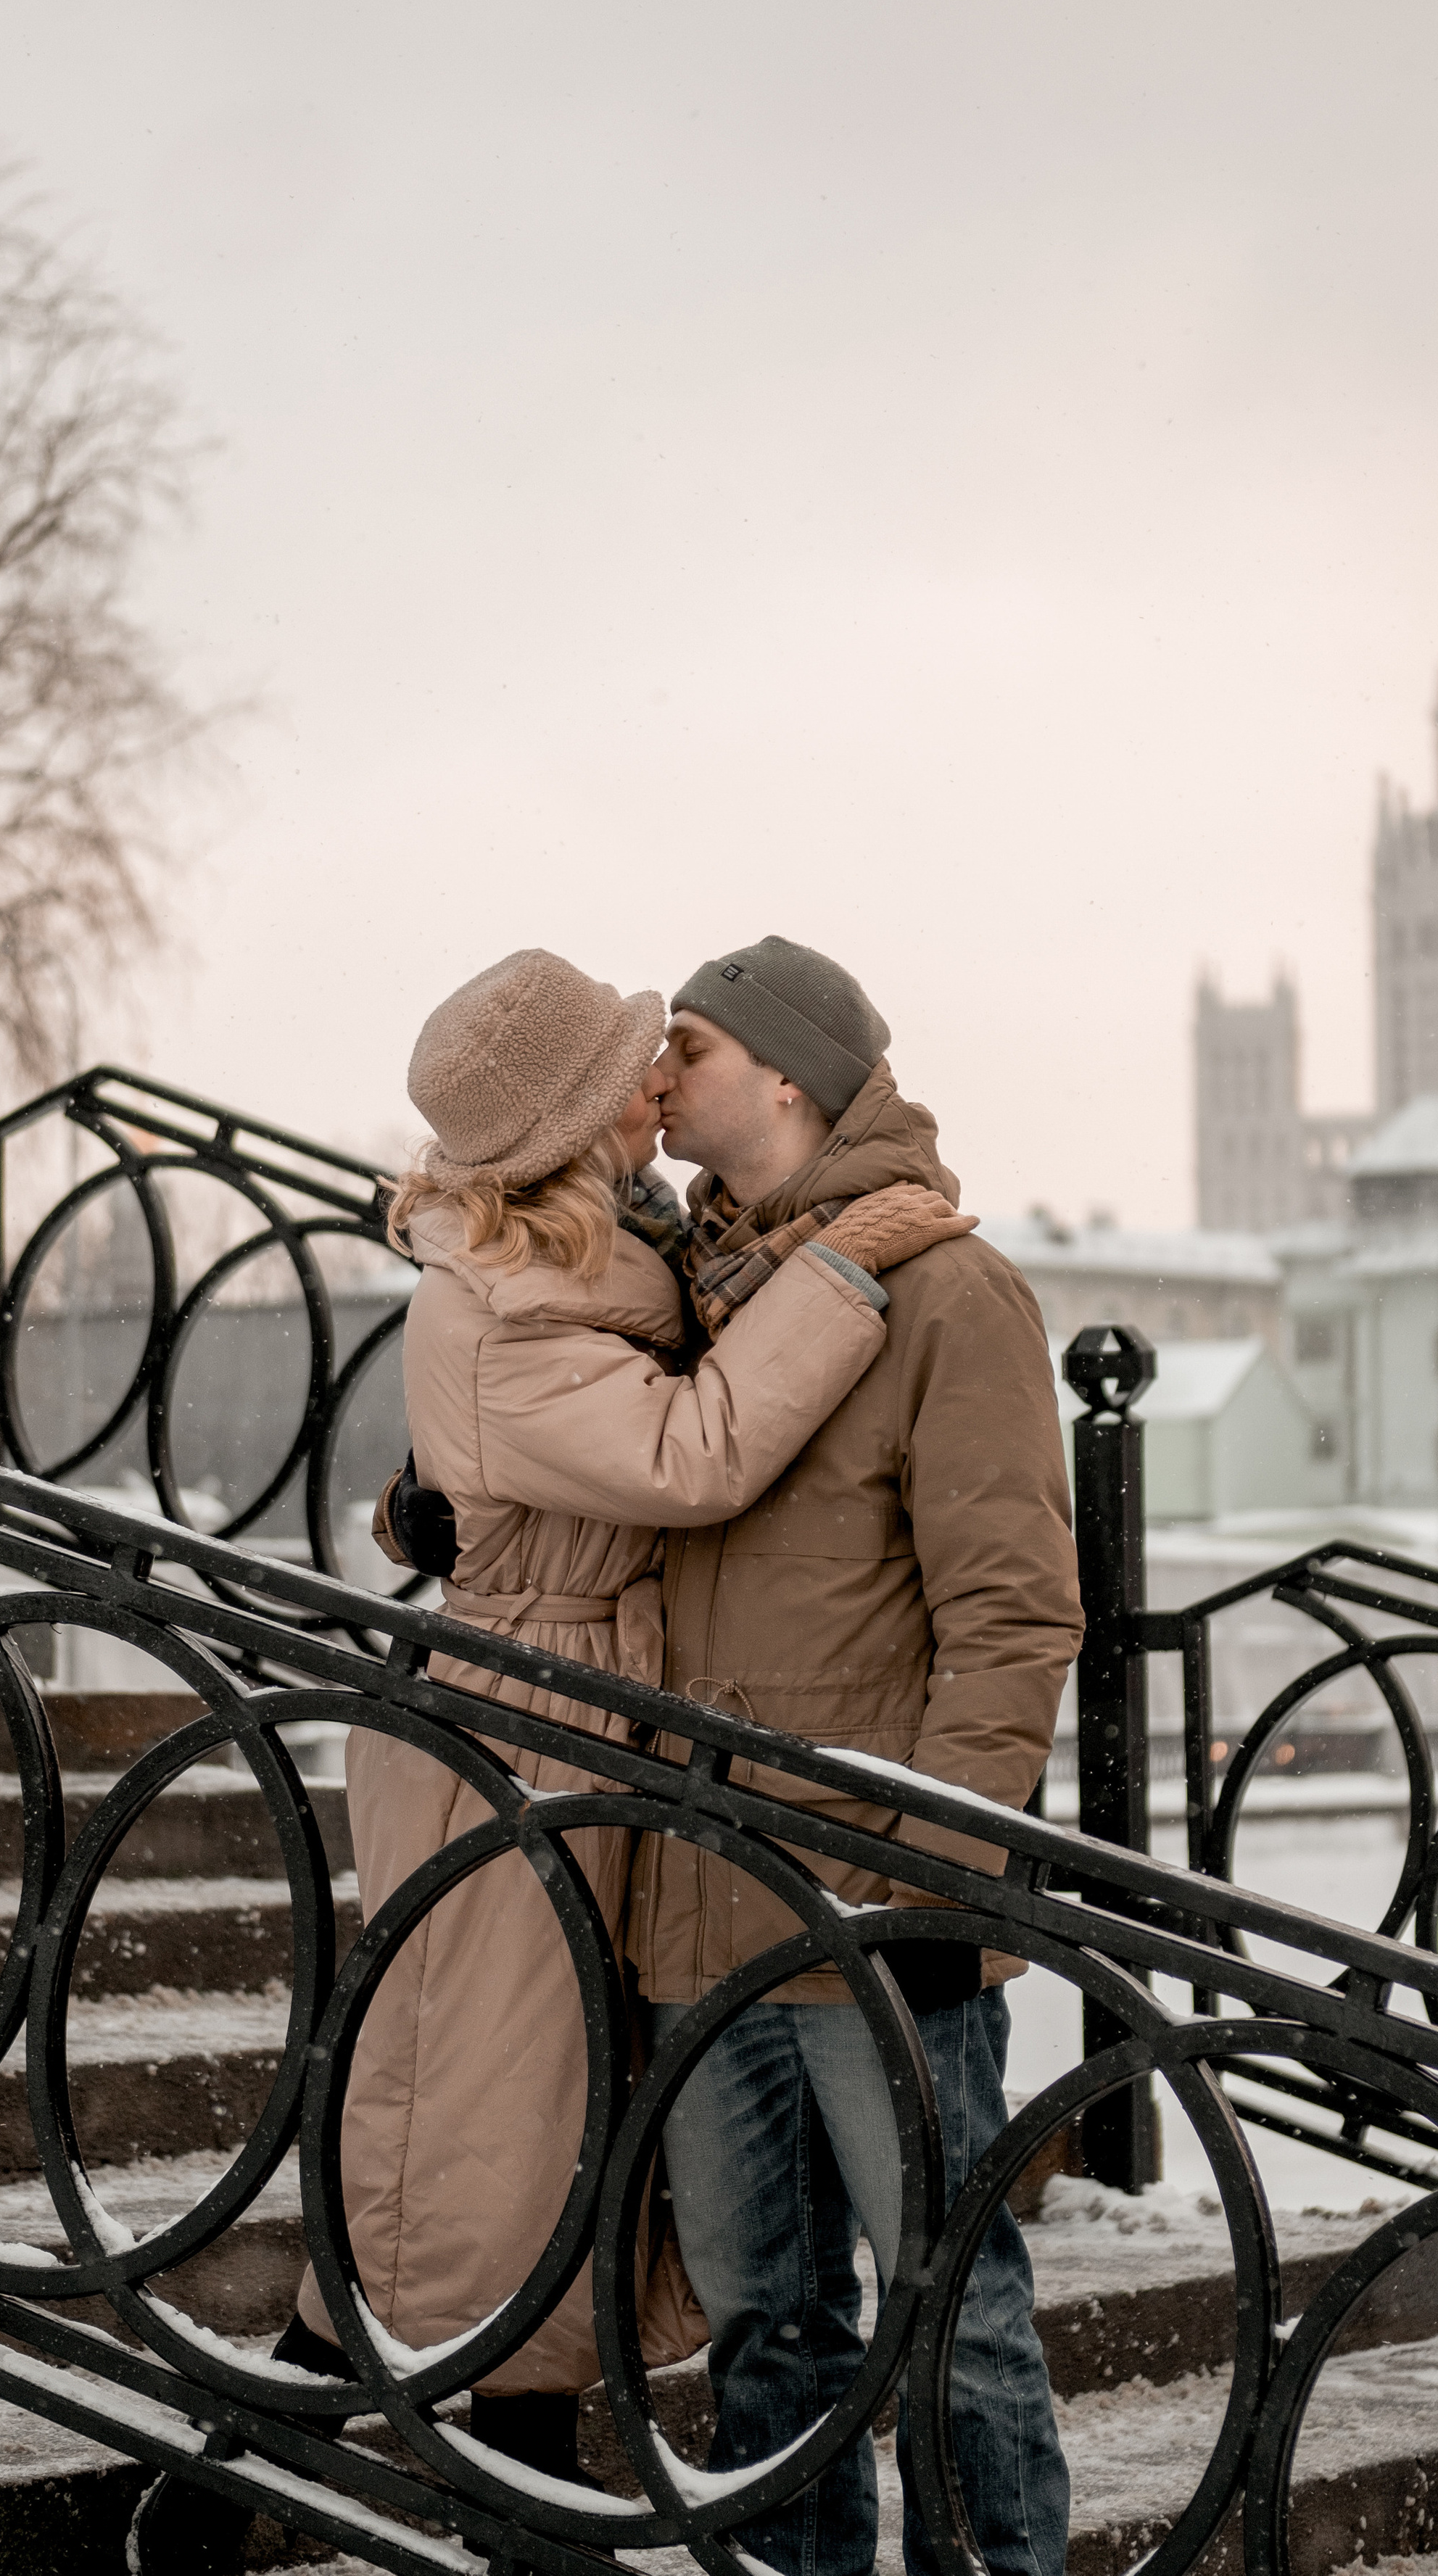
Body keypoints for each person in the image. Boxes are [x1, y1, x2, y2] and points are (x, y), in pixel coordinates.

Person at [129, 947, 972, 2576]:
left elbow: (526, 1448)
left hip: (588, 1713)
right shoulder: (515, 1297)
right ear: (578, 1121)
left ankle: (350, 2473)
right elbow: (692, 1447)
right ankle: (336, 2480)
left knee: (529, 2115)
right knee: (483, 2120)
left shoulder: (601, 1250)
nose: (658, 1079)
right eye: (628, 1070)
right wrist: (849, 1267)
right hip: (524, 1735)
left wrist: (433, 1508)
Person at [630, 936, 1083, 2576]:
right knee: (763, 2332)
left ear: (787, 1077)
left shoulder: (948, 1291)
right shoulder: (680, 1284)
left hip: (874, 1908)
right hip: (696, 1900)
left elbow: (1013, 1617)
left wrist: (941, 1874)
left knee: (952, 2314)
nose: (655, 1072)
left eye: (685, 1044)